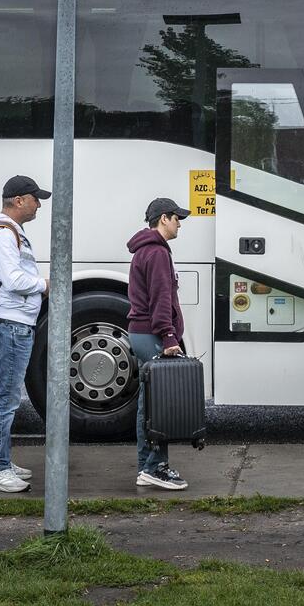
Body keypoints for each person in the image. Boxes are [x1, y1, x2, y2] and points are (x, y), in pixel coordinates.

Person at [0, 175, 51, 493]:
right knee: (5, 400)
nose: (39, 205)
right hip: (9, 325)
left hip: (14, 324)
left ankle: (2, 460)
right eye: (35, 199)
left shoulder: (8, 232)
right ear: (19, 200)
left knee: (8, 398)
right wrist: (45, 285)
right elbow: (14, 280)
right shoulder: (4, 234)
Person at [127, 197, 191, 490]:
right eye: (177, 218)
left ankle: (148, 466)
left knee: (149, 404)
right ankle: (154, 467)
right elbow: (161, 300)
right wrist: (168, 336)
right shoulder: (156, 253)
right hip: (152, 336)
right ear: (163, 219)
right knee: (157, 406)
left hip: (143, 333)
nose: (180, 224)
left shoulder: (147, 251)